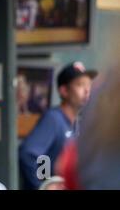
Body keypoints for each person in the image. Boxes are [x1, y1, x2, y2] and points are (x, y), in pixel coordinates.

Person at [19, 61, 97, 190]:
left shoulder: (76, 124)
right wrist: (44, 184)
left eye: (89, 85)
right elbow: (28, 154)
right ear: (64, 91)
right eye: (80, 85)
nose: (87, 90)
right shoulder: (54, 118)